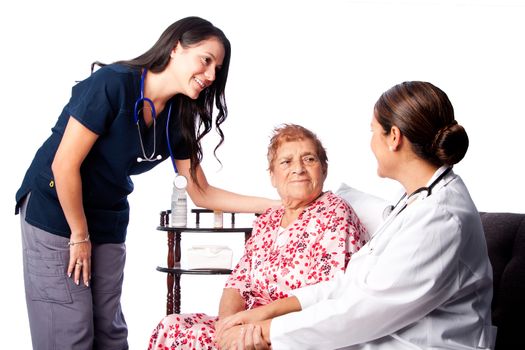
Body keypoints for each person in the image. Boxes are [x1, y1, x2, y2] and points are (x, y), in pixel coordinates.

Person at [15, 16, 280, 350]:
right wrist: (79, 235)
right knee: (70, 333)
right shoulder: (113, 84)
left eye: (218, 67)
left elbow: (201, 191)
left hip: (107, 216)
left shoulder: (179, 114)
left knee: (110, 333)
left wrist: (277, 204)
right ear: (174, 48)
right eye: (206, 60)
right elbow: (64, 165)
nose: (212, 76)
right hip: (57, 212)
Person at [216, 81, 495, 350]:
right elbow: (353, 285)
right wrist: (264, 314)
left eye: (374, 131)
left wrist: (265, 332)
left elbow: (360, 313)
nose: (371, 143)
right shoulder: (418, 201)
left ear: (394, 138)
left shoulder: (441, 218)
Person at [148, 124, 368, 349]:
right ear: (273, 176)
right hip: (247, 325)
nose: (299, 169)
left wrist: (256, 329)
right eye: (286, 162)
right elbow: (238, 283)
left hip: (290, 332)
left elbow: (324, 298)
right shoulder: (269, 219)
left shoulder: (334, 214)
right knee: (171, 326)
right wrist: (227, 327)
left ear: (324, 169)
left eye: (309, 159)